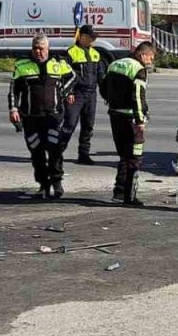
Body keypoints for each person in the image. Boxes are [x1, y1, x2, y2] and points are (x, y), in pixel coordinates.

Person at [9, 35, 76, 200]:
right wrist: (13, 109)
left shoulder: (58, 63)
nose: (38, 52)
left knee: (54, 150)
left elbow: (73, 77)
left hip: (53, 116)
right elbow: (13, 90)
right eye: (35, 48)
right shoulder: (22, 64)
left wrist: (65, 92)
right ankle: (43, 185)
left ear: (48, 48)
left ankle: (57, 182)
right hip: (30, 117)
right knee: (36, 152)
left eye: (41, 49)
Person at [101, 41, 156, 206]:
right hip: (131, 118)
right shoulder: (138, 69)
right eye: (150, 58)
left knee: (123, 155)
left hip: (114, 115)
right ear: (142, 55)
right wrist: (140, 120)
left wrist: (112, 102)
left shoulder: (114, 64)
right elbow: (138, 97)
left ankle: (118, 191)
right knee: (134, 157)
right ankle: (130, 196)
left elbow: (103, 88)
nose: (151, 62)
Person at [61, 24, 106, 166]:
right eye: (90, 38)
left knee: (88, 126)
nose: (93, 41)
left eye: (94, 39)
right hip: (77, 94)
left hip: (91, 94)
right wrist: (69, 92)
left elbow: (101, 76)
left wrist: (106, 94)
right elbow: (64, 75)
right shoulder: (70, 52)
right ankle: (57, 152)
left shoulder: (95, 53)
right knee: (69, 124)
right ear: (82, 37)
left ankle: (83, 155)